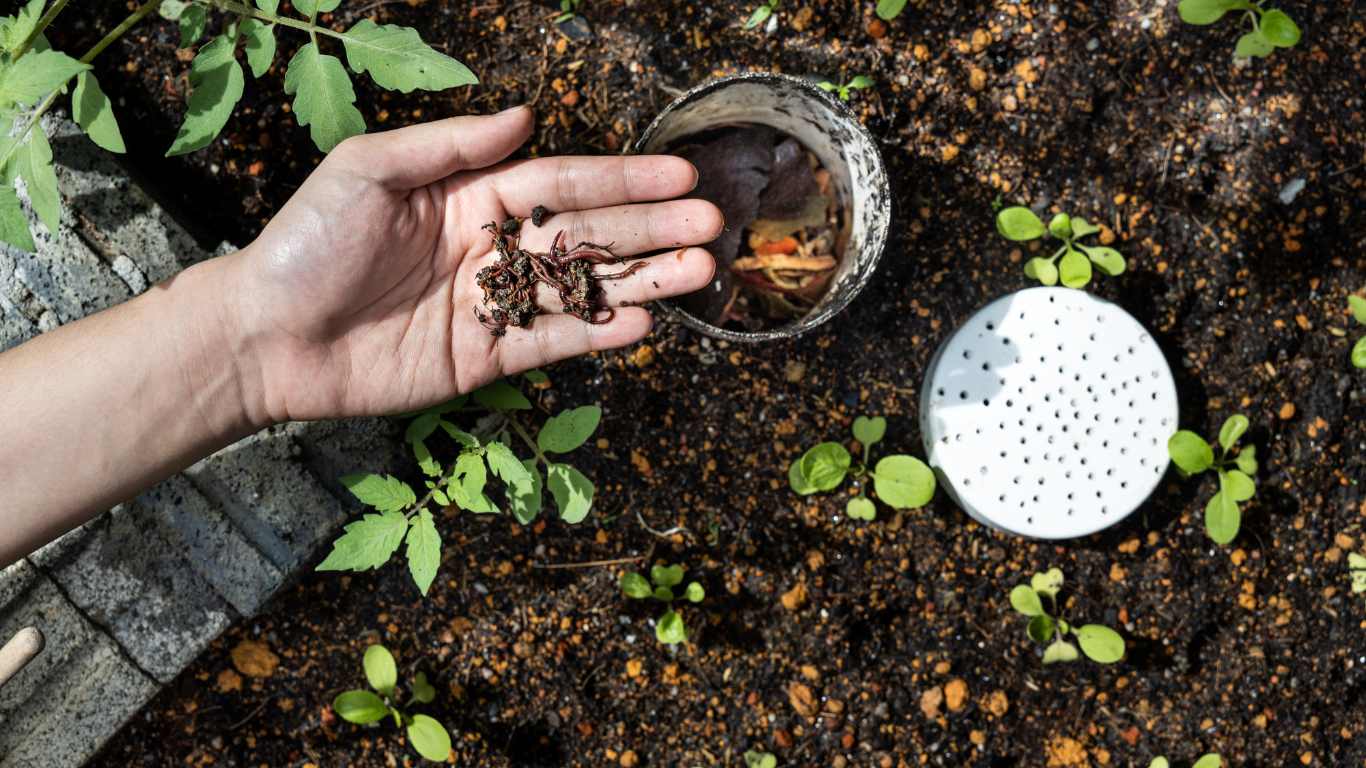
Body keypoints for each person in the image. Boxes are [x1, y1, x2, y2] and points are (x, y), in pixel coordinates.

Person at [0, 106, 722, 568]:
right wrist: (242, 339)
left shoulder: (507, 265)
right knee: (593, 281)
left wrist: (243, 334)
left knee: (594, 279)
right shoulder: (503, 273)